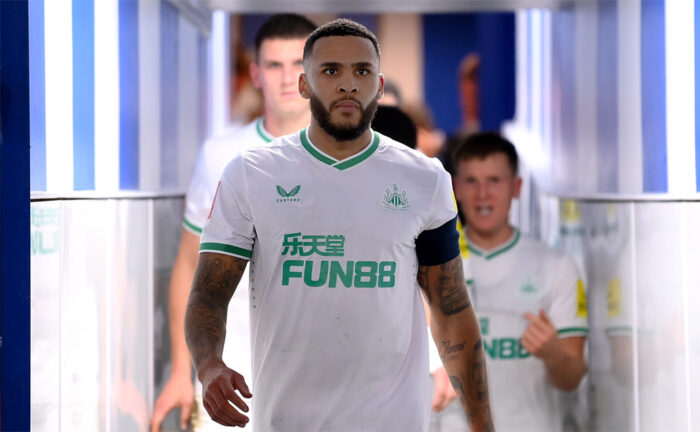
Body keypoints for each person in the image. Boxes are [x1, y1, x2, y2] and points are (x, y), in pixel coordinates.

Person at [184, 19, 494, 431]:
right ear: (304, 85)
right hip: (287, 420)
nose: (348, 84)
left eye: (362, 71)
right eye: (331, 71)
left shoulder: (425, 178)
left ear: (379, 86)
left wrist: (482, 425)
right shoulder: (251, 174)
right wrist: (209, 366)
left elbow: (451, 309)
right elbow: (207, 294)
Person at [150, 14, 317, 432]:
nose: (286, 78)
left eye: (298, 64)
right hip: (233, 374)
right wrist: (183, 372)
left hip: (321, 373)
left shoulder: (346, 159)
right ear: (256, 75)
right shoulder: (221, 155)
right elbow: (189, 266)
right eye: (275, 65)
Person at [431, 132, 587, 431]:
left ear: (516, 187)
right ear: (456, 188)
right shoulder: (431, 266)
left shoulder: (556, 267)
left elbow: (572, 379)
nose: (483, 194)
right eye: (472, 181)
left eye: (494, 181)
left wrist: (553, 352)